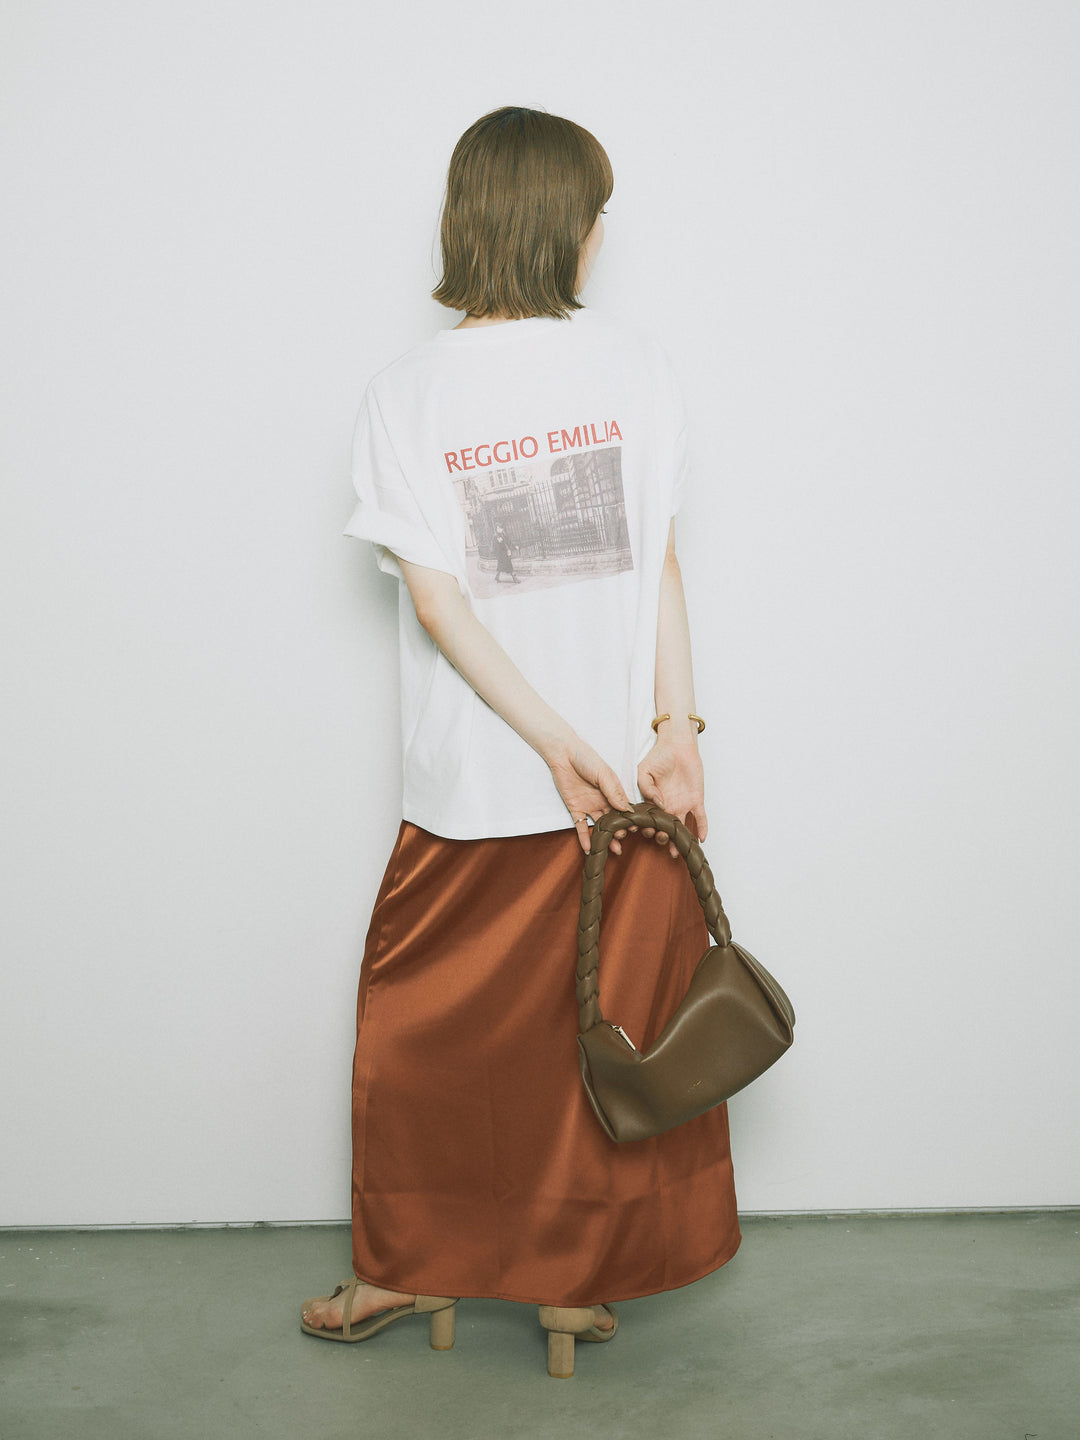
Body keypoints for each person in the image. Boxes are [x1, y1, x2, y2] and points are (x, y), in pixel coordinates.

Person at [300, 105, 740, 1379]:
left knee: (425, 1039)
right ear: (569, 228)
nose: (604, 236)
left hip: (483, 781)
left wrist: (580, 741)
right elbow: (659, 564)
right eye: (599, 215)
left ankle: (411, 1265)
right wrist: (668, 734)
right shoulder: (637, 369)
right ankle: (561, 1284)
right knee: (588, 1044)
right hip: (618, 791)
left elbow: (441, 604)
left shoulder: (404, 392)